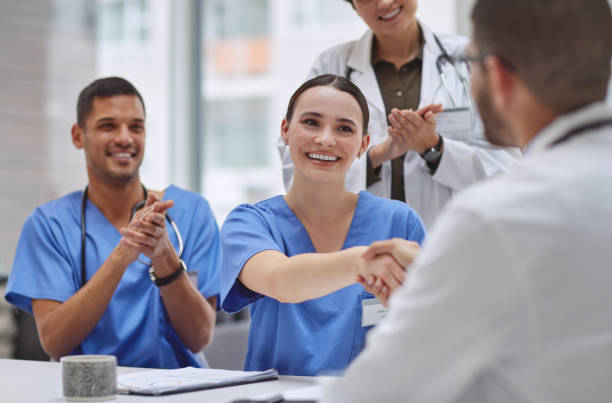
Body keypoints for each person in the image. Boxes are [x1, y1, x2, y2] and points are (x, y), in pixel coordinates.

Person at [320, 0, 612, 401]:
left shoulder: (494, 219)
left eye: (472, 61)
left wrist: (445, 276)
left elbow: (373, 393)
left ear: (499, 76)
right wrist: (438, 273)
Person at [4, 77, 221, 369]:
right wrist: (122, 255)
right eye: (108, 126)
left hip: (181, 393)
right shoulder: (49, 225)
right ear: (78, 136)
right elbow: (55, 341)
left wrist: (164, 257)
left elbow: (199, 338)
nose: (125, 138)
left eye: (136, 127)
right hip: (90, 393)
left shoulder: (191, 213)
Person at [220, 74, 425, 376]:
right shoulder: (250, 223)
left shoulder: (399, 222)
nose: (326, 139)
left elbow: (431, 324)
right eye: (311, 122)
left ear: (362, 144)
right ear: (285, 130)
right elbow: (279, 280)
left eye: (344, 128)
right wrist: (365, 262)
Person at [278, 0, 521, 229]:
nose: (384, 3)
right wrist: (378, 155)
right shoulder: (332, 65)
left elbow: (509, 171)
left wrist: (434, 148)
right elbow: (297, 165)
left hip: (450, 242)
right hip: (361, 247)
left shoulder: (465, 59)